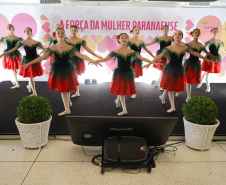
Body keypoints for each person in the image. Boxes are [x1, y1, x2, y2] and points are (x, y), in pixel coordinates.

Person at [21, 28, 95, 116]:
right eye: (58, 33)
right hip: (58, 71)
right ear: (55, 35)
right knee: (64, 89)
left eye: (62, 33)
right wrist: (28, 63)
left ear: (64, 35)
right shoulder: (52, 48)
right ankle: (68, 103)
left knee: (64, 89)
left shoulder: (70, 47)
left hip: (68, 70)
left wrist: (93, 60)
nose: (60, 34)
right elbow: (41, 58)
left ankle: (67, 109)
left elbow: (81, 55)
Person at [90, 33, 161, 116]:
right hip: (119, 73)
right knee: (121, 90)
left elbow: (142, 58)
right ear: (119, 40)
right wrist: (96, 61)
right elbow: (106, 58)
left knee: (122, 91)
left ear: (128, 40)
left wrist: (153, 62)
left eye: (126, 37)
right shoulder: (116, 51)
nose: (124, 39)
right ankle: (120, 104)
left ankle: (123, 108)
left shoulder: (131, 51)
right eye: (122, 38)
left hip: (128, 74)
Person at [143, 30, 212, 113]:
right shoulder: (169, 48)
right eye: (175, 34)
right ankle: (173, 106)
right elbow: (160, 55)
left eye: (179, 34)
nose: (177, 35)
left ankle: (163, 97)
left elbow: (195, 53)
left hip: (179, 69)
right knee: (170, 88)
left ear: (182, 37)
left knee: (172, 87)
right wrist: (150, 63)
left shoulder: (185, 47)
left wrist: (205, 59)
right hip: (170, 69)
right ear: (173, 37)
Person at [0, 27, 45, 96]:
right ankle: (34, 92)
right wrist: (3, 54)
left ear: (31, 32)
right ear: (24, 32)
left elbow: (45, 49)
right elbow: (12, 50)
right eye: (26, 31)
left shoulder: (36, 42)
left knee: (32, 76)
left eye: (29, 31)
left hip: (35, 60)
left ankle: (32, 89)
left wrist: (43, 54)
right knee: (31, 76)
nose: (27, 32)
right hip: (27, 60)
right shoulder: (22, 42)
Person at [65, 26, 102, 98]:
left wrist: (96, 55)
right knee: (69, 76)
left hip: (78, 60)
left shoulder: (80, 41)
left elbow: (88, 49)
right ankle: (69, 90)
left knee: (75, 76)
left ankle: (77, 91)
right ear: (70, 31)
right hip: (69, 59)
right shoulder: (66, 41)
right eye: (72, 30)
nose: (73, 32)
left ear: (77, 31)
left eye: (75, 30)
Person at [184, 28, 219, 100]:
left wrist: (215, 58)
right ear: (192, 34)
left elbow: (208, 53)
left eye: (198, 32)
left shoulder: (200, 45)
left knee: (192, 80)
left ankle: (189, 96)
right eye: (195, 32)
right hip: (190, 63)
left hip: (196, 64)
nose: (197, 33)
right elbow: (182, 51)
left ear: (199, 34)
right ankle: (189, 96)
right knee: (188, 81)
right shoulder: (189, 44)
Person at [128, 26, 155, 98]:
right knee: (129, 76)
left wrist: (154, 57)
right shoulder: (129, 41)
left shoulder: (141, 41)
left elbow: (147, 50)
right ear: (133, 32)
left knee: (133, 76)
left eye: (138, 30)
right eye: (135, 30)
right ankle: (129, 89)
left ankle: (133, 91)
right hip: (130, 59)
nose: (137, 31)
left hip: (137, 60)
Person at [197, 28, 226, 92]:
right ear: (212, 32)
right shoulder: (209, 42)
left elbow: (223, 50)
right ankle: (208, 87)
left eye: (216, 31)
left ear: (218, 32)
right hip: (209, 58)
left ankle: (201, 82)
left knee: (207, 72)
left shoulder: (220, 42)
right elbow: (204, 50)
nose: (215, 32)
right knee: (207, 73)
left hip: (216, 59)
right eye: (214, 31)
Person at [0, 24, 23, 89]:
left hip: (15, 54)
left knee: (16, 69)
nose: (9, 28)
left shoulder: (17, 38)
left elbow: (22, 44)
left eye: (10, 27)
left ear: (13, 28)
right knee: (13, 69)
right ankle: (17, 83)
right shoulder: (5, 38)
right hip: (8, 54)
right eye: (7, 27)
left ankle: (14, 80)